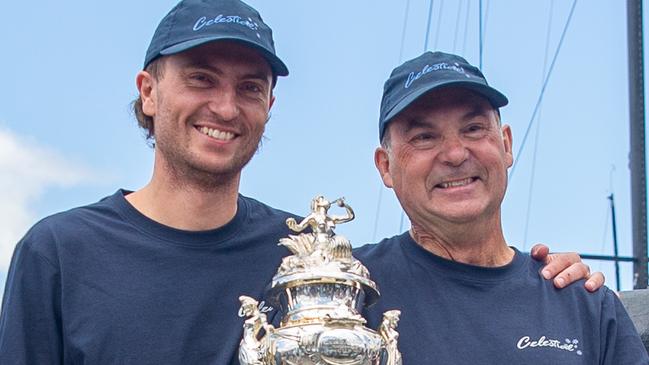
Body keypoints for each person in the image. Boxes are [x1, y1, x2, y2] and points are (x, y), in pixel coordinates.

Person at [0, 1, 602, 364]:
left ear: (269, 105)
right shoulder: (58, 253)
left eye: (250, 88)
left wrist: (547, 279)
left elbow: (460, 281)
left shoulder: (318, 258)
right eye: (201, 79)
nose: (226, 107)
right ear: (149, 92)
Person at [356, 51, 649, 364]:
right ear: (385, 166)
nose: (455, 154)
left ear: (506, 144)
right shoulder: (346, 287)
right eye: (425, 137)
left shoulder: (585, 304)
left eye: (473, 128)